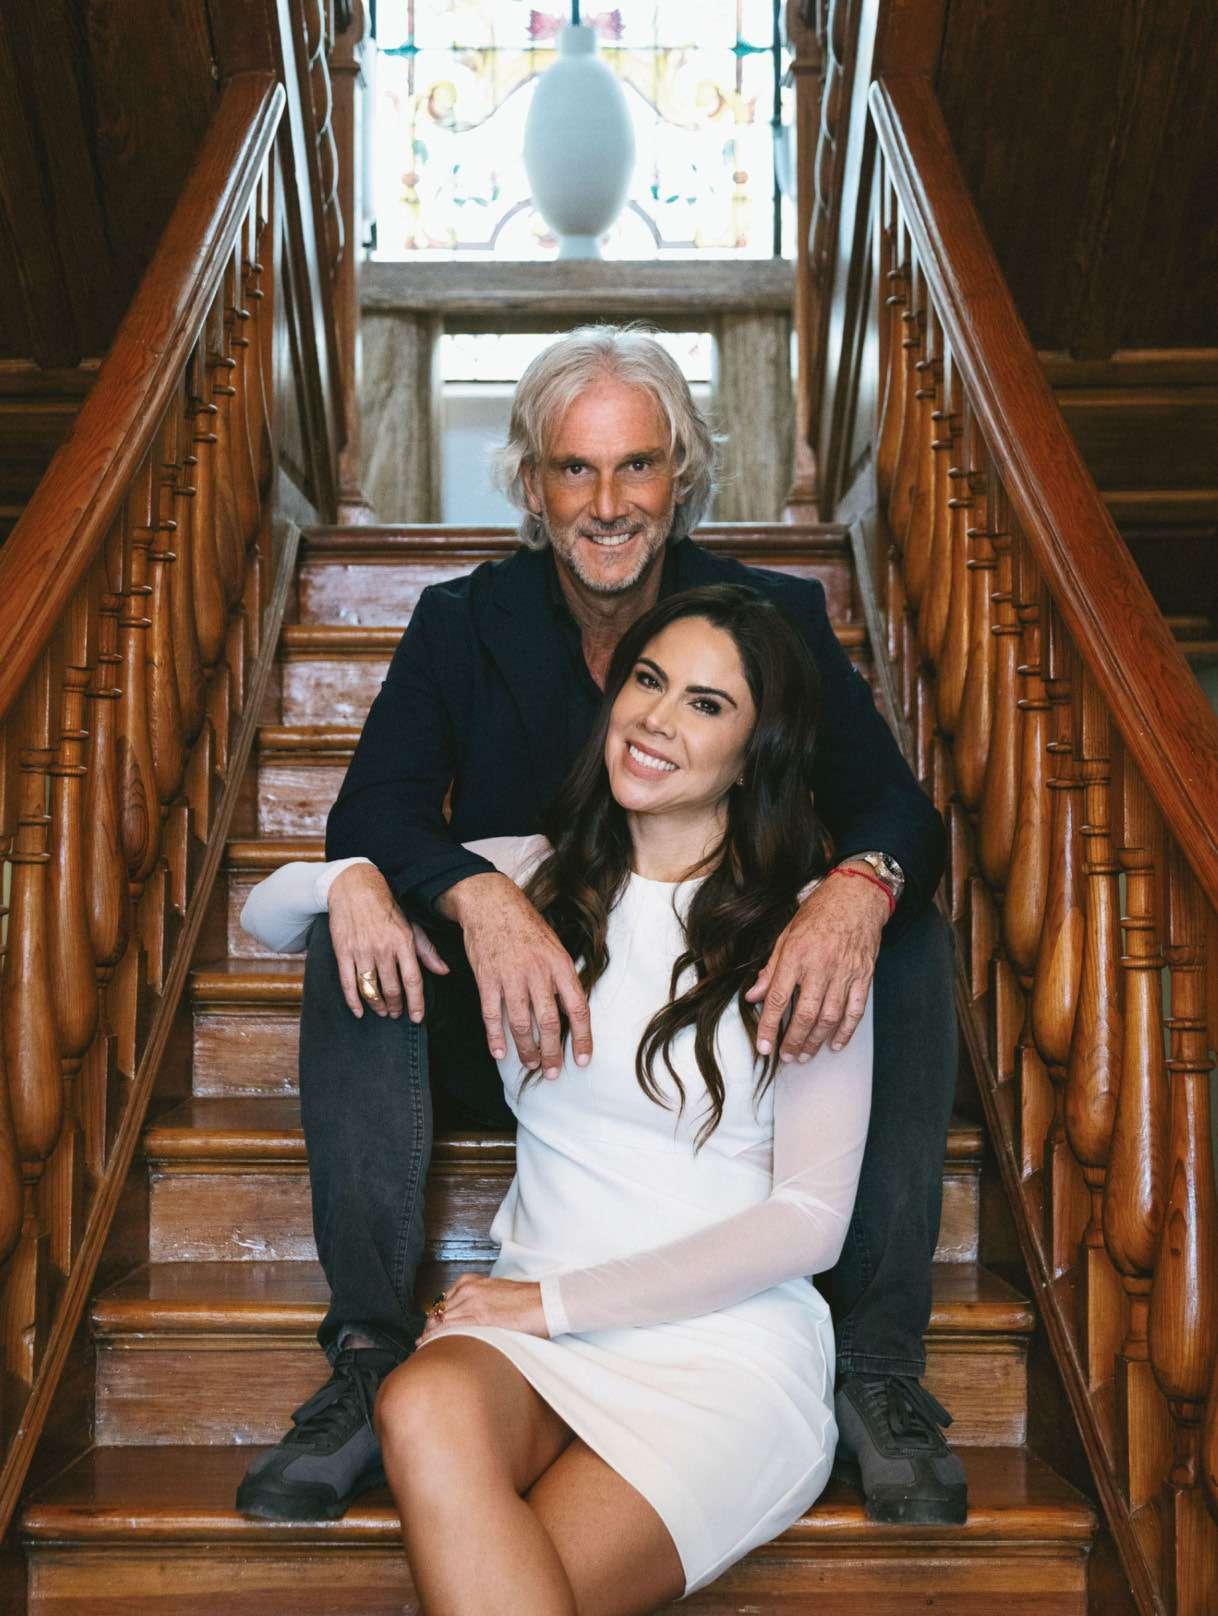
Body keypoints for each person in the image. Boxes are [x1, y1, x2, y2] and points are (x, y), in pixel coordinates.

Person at [233, 326, 962, 1530]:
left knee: (903, 931)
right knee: (353, 942)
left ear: (682, 474)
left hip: (714, 1023)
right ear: (532, 483)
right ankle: (367, 1352)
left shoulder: (766, 617)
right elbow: (375, 810)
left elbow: (897, 808)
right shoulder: (461, 621)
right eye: (576, 467)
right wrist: (471, 896)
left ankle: (877, 1366)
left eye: (638, 465)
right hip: (528, 1031)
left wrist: (855, 889)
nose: (609, 502)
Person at [242, 585, 874, 1607]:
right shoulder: (525, 882)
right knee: (419, 1402)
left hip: (719, 1350)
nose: (657, 719)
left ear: (756, 752)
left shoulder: (806, 932)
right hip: (531, 1337)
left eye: (706, 704)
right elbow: (267, 914)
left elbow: (811, 1220)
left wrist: (547, 1303)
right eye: (648, 680)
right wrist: (349, 882)